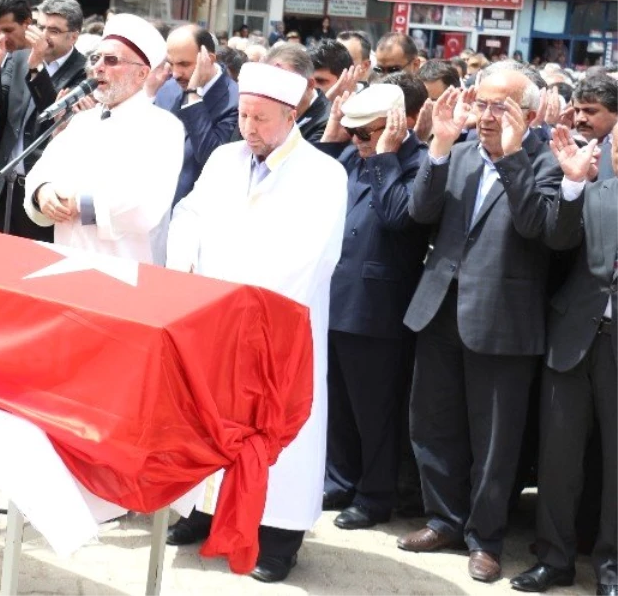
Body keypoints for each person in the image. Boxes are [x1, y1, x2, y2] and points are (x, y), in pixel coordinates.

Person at [165, 61, 347, 584]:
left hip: (276, 330)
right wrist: (188, 277)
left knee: (279, 434)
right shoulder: (224, 158)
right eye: (244, 115)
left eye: (262, 119)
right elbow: (189, 215)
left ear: (291, 116)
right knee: (211, 421)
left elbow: (311, 256)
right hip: (214, 319)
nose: (250, 128)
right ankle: (201, 512)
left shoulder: (323, 173)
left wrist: (245, 310)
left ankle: (280, 537)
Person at [398, 68, 562, 584]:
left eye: (501, 108)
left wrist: (513, 158)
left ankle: (485, 538)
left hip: (503, 317)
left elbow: (540, 227)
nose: (486, 117)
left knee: (495, 440)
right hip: (441, 306)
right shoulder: (461, 151)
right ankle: (444, 519)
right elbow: (419, 211)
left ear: (530, 115)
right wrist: (440, 147)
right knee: (433, 423)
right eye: (482, 105)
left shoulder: (549, 161)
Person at [315, 84, 429, 531]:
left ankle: (375, 494)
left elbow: (398, 216)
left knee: (374, 410)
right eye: (355, 134)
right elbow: (318, 178)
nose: (359, 142)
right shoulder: (352, 155)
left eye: (368, 134)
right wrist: (334, 132)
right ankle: (340, 479)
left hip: (378, 308)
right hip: (335, 297)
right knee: (338, 402)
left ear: (395, 125)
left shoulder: (416, 162)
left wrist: (384, 155)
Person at [510, 126, 618, 596]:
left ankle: (610, 569)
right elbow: (558, 239)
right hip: (573, 334)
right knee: (558, 458)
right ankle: (553, 560)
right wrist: (573, 186)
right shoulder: (587, 174)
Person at [23, 13, 183, 264]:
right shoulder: (82, 121)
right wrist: (41, 194)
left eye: (111, 60)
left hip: (124, 267)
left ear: (141, 74)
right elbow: (41, 172)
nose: (98, 67)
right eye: (95, 58)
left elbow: (144, 206)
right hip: (65, 258)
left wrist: (79, 204)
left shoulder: (163, 127)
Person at [0, 0, 88, 239]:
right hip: (2, 184)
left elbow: (52, 117)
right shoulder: (17, 57)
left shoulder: (84, 72)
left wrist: (37, 67)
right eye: (40, 26)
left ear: (73, 36)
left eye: (53, 30)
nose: (43, 35)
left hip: (41, 192)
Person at [149, 25, 240, 205]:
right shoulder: (167, 90)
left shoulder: (235, 101)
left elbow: (211, 159)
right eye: (171, 63)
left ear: (209, 59)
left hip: (196, 216)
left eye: (184, 64)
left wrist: (193, 96)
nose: (175, 73)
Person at [267, 43, 331, 144]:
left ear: (310, 85)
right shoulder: (261, 109)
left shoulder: (327, 122)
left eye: (286, 84)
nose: (277, 92)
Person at [573, 74, 618, 181]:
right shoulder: (569, 144)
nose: (580, 118)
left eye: (590, 111)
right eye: (577, 111)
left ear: (616, 113)